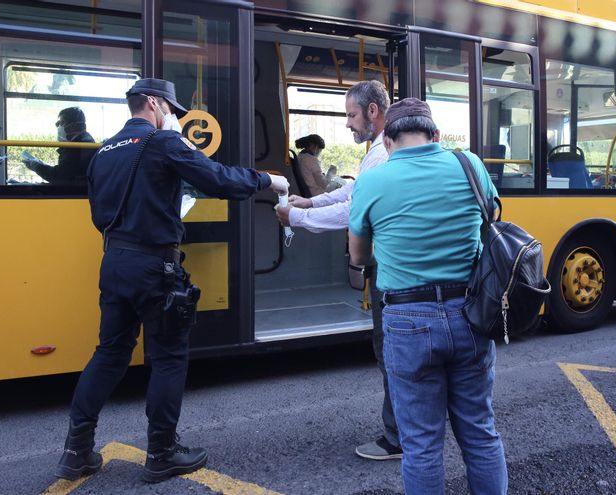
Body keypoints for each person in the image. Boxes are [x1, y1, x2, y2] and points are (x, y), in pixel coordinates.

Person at [55, 78, 289, 483]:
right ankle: (162, 452)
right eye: (172, 109)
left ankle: (76, 451)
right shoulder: (163, 142)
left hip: (114, 262)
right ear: (153, 103)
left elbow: (98, 214)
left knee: (109, 353)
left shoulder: (103, 152)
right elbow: (218, 179)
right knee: (168, 356)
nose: (175, 117)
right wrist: (267, 180)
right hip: (153, 266)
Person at [348, 98, 507, 494]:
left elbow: (359, 256)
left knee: (420, 445)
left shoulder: (371, 181)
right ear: (435, 135)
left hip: (407, 320)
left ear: (387, 141)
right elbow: (491, 218)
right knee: (480, 432)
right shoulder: (469, 165)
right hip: (471, 313)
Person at [275, 80, 402, 461]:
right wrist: (311, 203)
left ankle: (398, 437)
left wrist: (297, 217)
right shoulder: (379, 150)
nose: (347, 123)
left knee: (390, 351)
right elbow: (352, 192)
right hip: (395, 270)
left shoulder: (382, 153)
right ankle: (408, 430)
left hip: (390, 271)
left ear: (373, 112)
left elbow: (354, 209)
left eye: (351, 115)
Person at [22, 107, 97, 185]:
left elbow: (58, 176)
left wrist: (36, 166)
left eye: (61, 123)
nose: (58, 126)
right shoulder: (84, 142)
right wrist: (41, 165)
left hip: (72, 190)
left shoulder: (77, 147)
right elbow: (65, 171)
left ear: (74, 126)